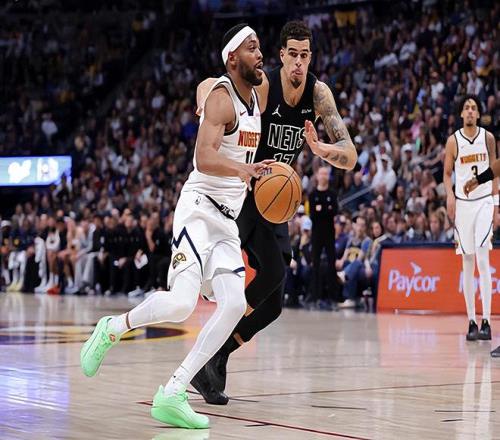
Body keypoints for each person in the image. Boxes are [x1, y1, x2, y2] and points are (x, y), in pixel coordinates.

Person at [80, 24, 271, 429]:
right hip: (198, 210)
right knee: (183, 303)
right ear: (232, 58)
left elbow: (216, 86)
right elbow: (204, 158)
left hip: (227, 220)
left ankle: (173, 390)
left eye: (260, 48)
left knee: (234, 305)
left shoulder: (261, 89)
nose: (261, 55)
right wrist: (244, 169)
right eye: (252, 49)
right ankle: (112, 328)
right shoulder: (222, 98)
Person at [192, 20, 357, 404]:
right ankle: (208, 348)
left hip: (276, 198)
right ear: (281, 55)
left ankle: (218, 354)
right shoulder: (264, 85)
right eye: (292, 54)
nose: (299, 62)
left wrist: (322, 150)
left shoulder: (318, 94)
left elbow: (350, 155)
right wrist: (204, 100)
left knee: (275, 305)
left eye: (305, 55)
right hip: (246, 190)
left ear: (310, 57)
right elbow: (212, 84)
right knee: (270, 272)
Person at [443, 94, 497, 342]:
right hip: (463, 205)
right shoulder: (453, 141)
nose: (470, 111)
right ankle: (472, 322)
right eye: (467, 107)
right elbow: (446, 174)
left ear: (478, 113)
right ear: (461, 113)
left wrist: (496, 205)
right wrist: (449, 196)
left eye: (474, 107)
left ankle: (487, 321)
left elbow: (496, 172)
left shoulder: (488, 138)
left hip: (484, 201)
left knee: (483, 260)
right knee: (467, 262)